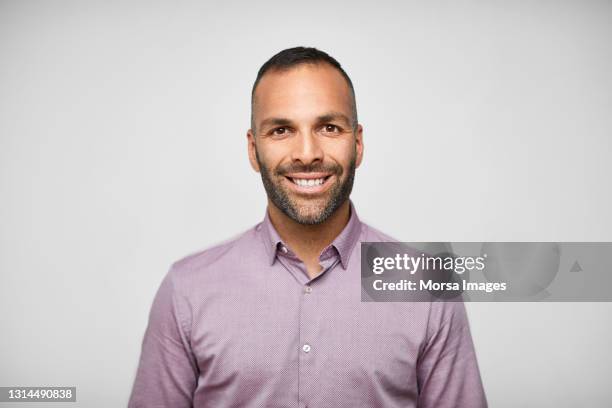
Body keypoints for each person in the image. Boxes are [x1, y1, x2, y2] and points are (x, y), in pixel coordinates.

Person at [128, 46, 487, 408]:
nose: (307, 153)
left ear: (358, 143)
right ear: (253, 150)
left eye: (328, 127)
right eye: (282, 129)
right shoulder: (187, 289)